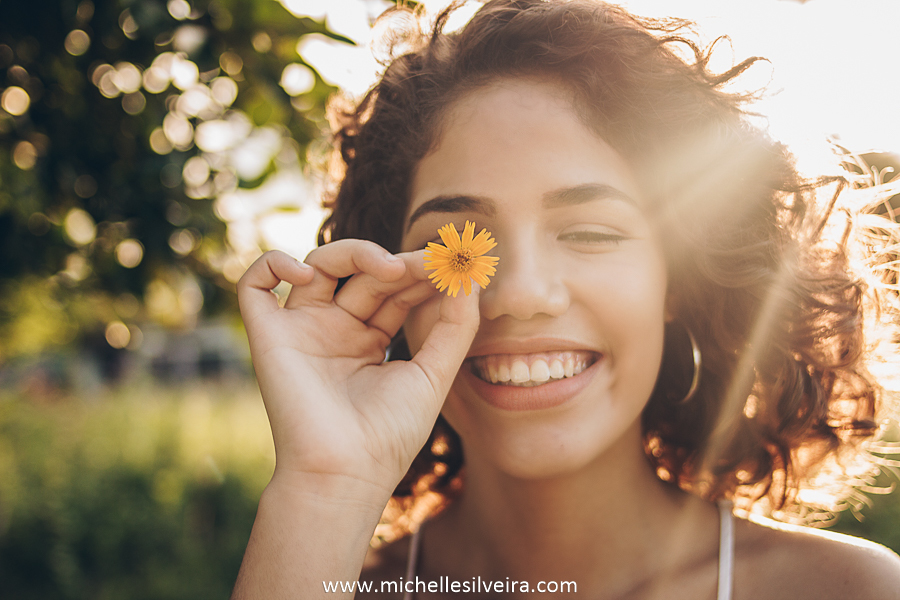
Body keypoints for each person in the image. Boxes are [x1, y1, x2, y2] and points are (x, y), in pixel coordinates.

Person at [231, 1, 900, 598]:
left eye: (589, 232)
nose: (520, 294)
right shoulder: (320, 578)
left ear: (679, 276)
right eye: (457, 246)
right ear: (393, 292)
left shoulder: (849, 590)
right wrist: (324, 488)